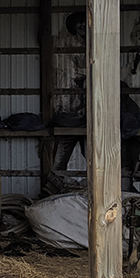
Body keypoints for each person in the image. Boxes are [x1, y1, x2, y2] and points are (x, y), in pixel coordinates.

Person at [52, 11, 86, 171]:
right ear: (73, 26)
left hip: (90, 113)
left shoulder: (95, 44)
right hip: (68, 109)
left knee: (96, 160)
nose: (84, 25)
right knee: (60, 161)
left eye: (87, 21)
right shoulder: (65, 45)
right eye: (80, 22)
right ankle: (54, 191)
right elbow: (73, 74)